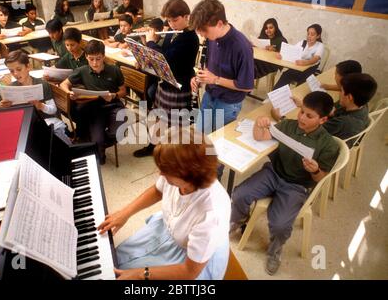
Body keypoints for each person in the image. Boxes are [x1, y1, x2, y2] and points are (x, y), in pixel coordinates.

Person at [97, 128, 231, 280]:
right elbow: (158, 190)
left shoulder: (211, 214)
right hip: (171, 232)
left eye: (165, 171)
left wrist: (142, 274)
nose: (159, 173)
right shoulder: (181, 178)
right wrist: (125, 213)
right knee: (115, 261)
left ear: (189, 175)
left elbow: (189, 272)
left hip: (191, 263)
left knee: (125, 274)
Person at [230, 91, 339, 275]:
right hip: (274, 173)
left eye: (309, 116)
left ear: (323, 120)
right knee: (239, 194)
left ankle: (275, 251)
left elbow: (320, 179)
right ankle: (239, 219)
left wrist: (314, 170)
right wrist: (259, 124)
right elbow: (259, 137)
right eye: (301, 111)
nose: (302, 117)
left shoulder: (329, 145)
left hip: (297, 185)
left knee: (280, 225)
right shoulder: (288, 125)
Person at [133, 0, 199, 158]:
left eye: (175, 20)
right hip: (165, 82)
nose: (171, 24)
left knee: (175, 124)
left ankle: (174, 155)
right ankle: (152, 146)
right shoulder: (172, 33)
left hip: (179, 86)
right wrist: (145, 47)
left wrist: (150, 42)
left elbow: (165, 57)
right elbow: (160, 55)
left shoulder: (190, 38)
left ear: (186, 16)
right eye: (169, 20)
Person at [189, 0, 254, 134]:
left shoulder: (242, 46)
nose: (201, 34)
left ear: (219, 24)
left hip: (228, 103)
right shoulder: (212, 38)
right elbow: (210, 69)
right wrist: (199, 78)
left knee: (219, 143)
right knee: (201, 138)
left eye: (204, 30)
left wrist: (214, 79)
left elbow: (246, 86)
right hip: (210, 95)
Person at [59, 40, 126, 164]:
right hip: (95, 109)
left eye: (98, 59)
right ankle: (98, 148)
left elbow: (123, 91)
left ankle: (94, 143)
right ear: (86, 57)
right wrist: (69, 93)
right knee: (99, 152)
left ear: (103, 56)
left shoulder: (114, 70)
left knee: (117, 133)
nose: (95, 63)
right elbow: (63, 84)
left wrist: (114, 95)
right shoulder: (82, 70)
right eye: (91, 59)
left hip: (114, 106)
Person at [0, 50, 71, 145]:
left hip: (46, 124)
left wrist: (41, 106)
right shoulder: (11, 88)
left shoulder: (42, 85)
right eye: (11, 71)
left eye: (19, 69)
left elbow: (53, 110)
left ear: (28, 67)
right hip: (24, 126)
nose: (15, 74)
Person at [284, 73, 377, 148]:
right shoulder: (362, 105)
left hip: (316, 148)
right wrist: (305, 107)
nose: (339, 94)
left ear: (349, 97)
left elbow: (306, 130)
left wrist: (281, 118)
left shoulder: (343, 123)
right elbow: (333, 113)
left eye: (341, 91)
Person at [273, 24, 324, 90]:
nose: (309, 36)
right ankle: (276, 96)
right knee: (285, 75)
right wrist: (281, 54)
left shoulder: (320, 46)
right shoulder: (302, 42)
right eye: (308, 34)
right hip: (297, 68)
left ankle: (295, 98)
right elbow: (291, 51)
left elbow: (316, 59)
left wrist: (306, 62)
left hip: (310, 71)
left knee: (302, 85)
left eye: (312, 34)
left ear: (318, 36)